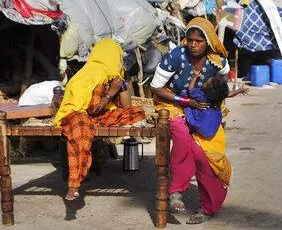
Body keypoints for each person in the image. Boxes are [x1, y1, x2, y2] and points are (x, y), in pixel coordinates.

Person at [150, 17, 232, 224]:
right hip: (172, 104)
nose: (193, 45)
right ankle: (176, 190)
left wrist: (210, 103)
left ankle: (208, 207)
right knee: (182, 136)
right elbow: (156, 87)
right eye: (190, 40)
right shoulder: (176, 55)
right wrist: (186, 101)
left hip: (203, 108)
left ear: (209, 42)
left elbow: (224, 83)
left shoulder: (217, 61)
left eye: (198, 41)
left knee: (207, 158)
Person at [53, 39, 145, 201]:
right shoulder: (96, 73)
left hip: (95, 115)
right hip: (76, 114)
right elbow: (92, 108)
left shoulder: (109, 74)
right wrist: (112, 90)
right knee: (81, 131)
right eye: (118, 58)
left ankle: (78, 179)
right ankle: (73, 184)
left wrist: (120, 85)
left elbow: (127, 107)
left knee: (137, 112)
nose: (120, 62)